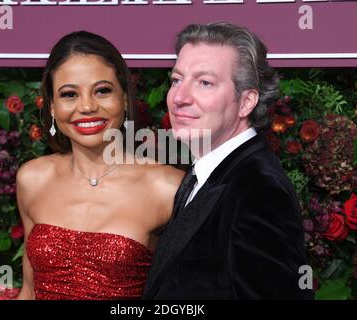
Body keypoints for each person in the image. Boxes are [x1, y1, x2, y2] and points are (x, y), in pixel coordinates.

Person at [142, 22, 314, 300]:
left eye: (205, 83)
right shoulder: (206, 174)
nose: (179, 97)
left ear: (246, 102)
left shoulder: (259, 190)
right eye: (176, 80)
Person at [16, 31, 184, 300]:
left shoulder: (168, 188)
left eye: (103, 91)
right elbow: (28, 291)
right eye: (69, 94)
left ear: (125, 98)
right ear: (51, 106)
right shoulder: (33, 179)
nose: (86, 106)